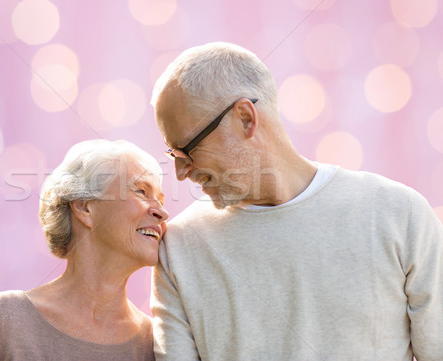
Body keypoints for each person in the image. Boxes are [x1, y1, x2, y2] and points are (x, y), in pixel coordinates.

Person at [149, 42, 443, 360]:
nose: (179, 172)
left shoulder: (400, 215)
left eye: (187, 149)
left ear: (246, 119)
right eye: (172, 154)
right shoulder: (178, 249)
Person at [0, 139, 168, 361]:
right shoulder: (3, 321)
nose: (163, 213)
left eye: (161, 201)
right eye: (142, 191)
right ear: (84, 206)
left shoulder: (158, 345)